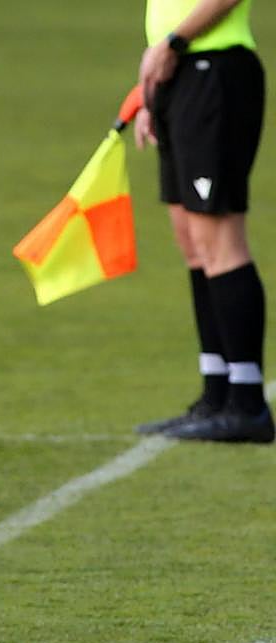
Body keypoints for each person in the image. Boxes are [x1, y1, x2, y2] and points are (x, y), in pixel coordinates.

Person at [133, 0, 272, 442]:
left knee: (220, 241)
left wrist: (174, 42)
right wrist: (150, 90)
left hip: (215, 70)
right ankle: (217, 393)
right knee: (193, 244)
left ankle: (247, 401)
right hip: (180, 74)